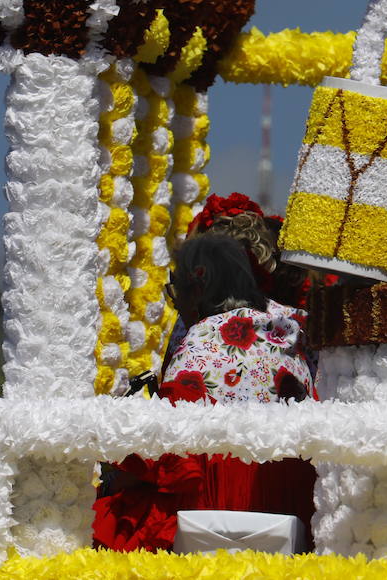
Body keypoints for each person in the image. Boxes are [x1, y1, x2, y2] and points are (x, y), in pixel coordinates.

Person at [92, 234, 317, 552]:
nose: (176, 302)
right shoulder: (291, 328)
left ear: (197, 290)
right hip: (291, 503)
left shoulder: (199, 337)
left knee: (112, 516)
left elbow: (168, 456)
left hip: (216, 505)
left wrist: (113, 479)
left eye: (174, 292)